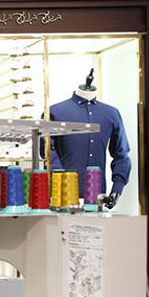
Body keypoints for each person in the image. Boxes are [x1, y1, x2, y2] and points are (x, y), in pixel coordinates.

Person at [46, 73, 131, 208]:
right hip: (61, 199)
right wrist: (60, 178)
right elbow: (47, 152)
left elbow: (121, 154)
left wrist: (117, 188)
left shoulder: (111, 114)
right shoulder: (54, 112)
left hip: (97, 199)